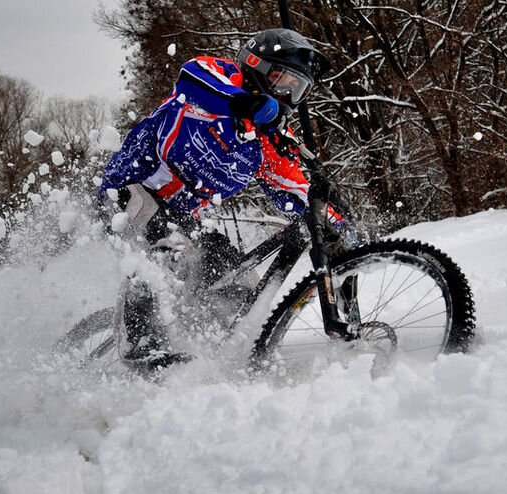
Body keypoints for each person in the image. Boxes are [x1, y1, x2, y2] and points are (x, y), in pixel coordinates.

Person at [97, 28, 343, 370]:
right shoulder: (222, 77)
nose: (286, 95)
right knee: (165, 248)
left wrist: (340, 228)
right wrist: (245, 103)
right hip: (130, 190)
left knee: (235, 278)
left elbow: (296, 191)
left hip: (183, 220)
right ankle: (142, 345)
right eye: (282, 80)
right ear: (257, 65)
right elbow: (192, 80)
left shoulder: (267, 142)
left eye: (296, 89)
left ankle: (211, 354)